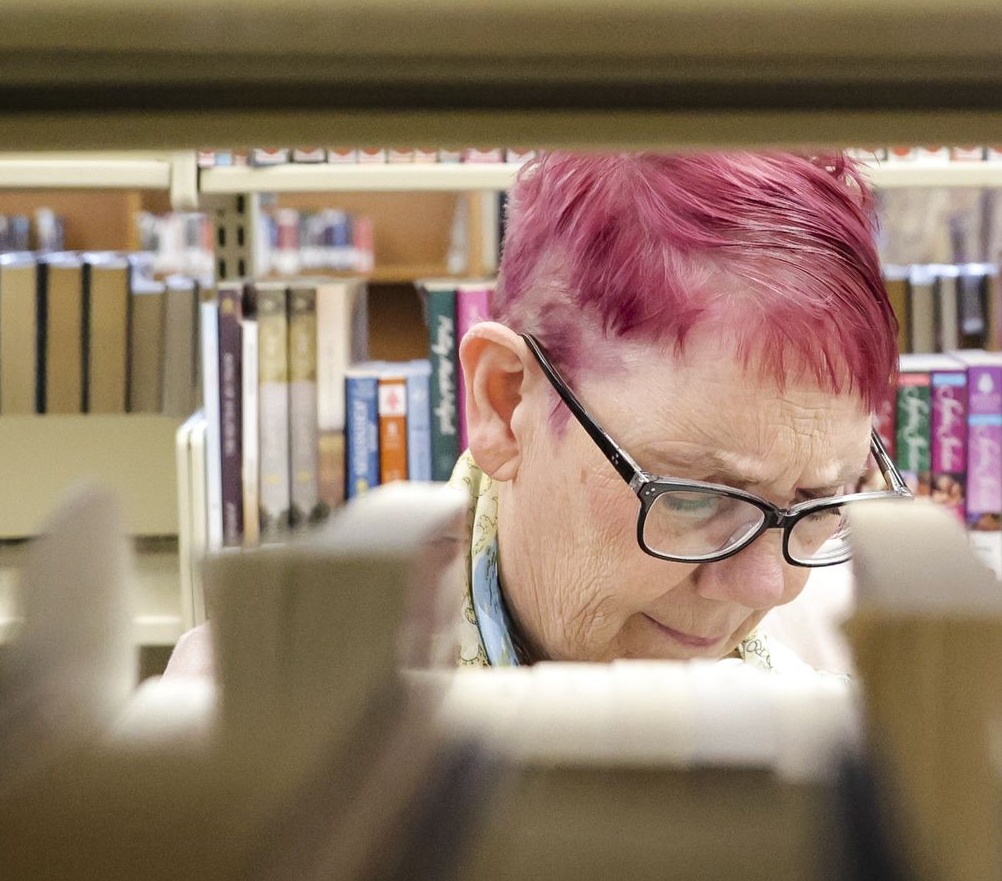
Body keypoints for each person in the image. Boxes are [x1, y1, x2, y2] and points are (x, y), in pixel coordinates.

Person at [168, 150, 906, 675]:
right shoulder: (249, 710)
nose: (765, 587)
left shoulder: (876, 668)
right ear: (504, 402)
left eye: (818, 501)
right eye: (694, 496)